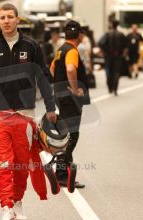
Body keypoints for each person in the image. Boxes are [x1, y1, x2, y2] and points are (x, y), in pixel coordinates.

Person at [0, 3, 57, 220]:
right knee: (3, 163)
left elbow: (43, 79)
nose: (7, 21)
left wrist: (51, 108)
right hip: (0, 115)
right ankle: (6, 207)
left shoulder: (31, 46)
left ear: (17, 20)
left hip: (25, 115)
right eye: (2, 17)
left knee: (22, 164)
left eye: (10, 17)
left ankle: (18, 202)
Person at [50, 20, 89, 189]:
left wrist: (59, 83)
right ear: (80, 35)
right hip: (70, 98)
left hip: (60, 95)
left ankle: (64, 172)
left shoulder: (60, 50)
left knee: (66, 133)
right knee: (71, 135)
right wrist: (74, 89)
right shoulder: (72, 51)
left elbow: (52, 69)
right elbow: (71, 69)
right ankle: (62, 174)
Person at [98, 20, 128, 96]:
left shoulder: (107, 34)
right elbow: (126, 46)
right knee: (116, 72)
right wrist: (123, 54)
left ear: (112, 25)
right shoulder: (121, 34)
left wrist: (103, 51)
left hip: (108, 56)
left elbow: (100, 43)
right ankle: (115, 89)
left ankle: (110, 87)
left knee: (108, 72)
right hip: (118, 56)